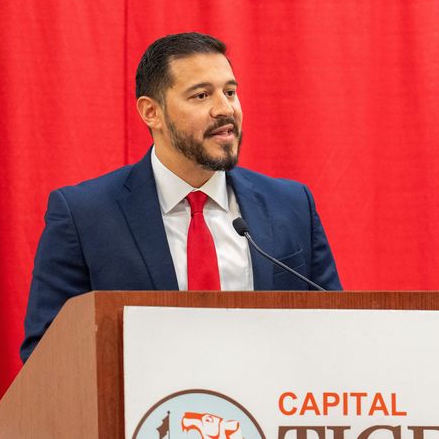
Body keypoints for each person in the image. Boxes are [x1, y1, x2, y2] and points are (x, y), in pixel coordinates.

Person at [21, 32, 341, 362]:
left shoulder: (290, 205)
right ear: (151, 112)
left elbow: (337, 329)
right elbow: (46, 356)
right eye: (201, 95)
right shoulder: (85, 216)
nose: (225, 109)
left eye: (230, 92)